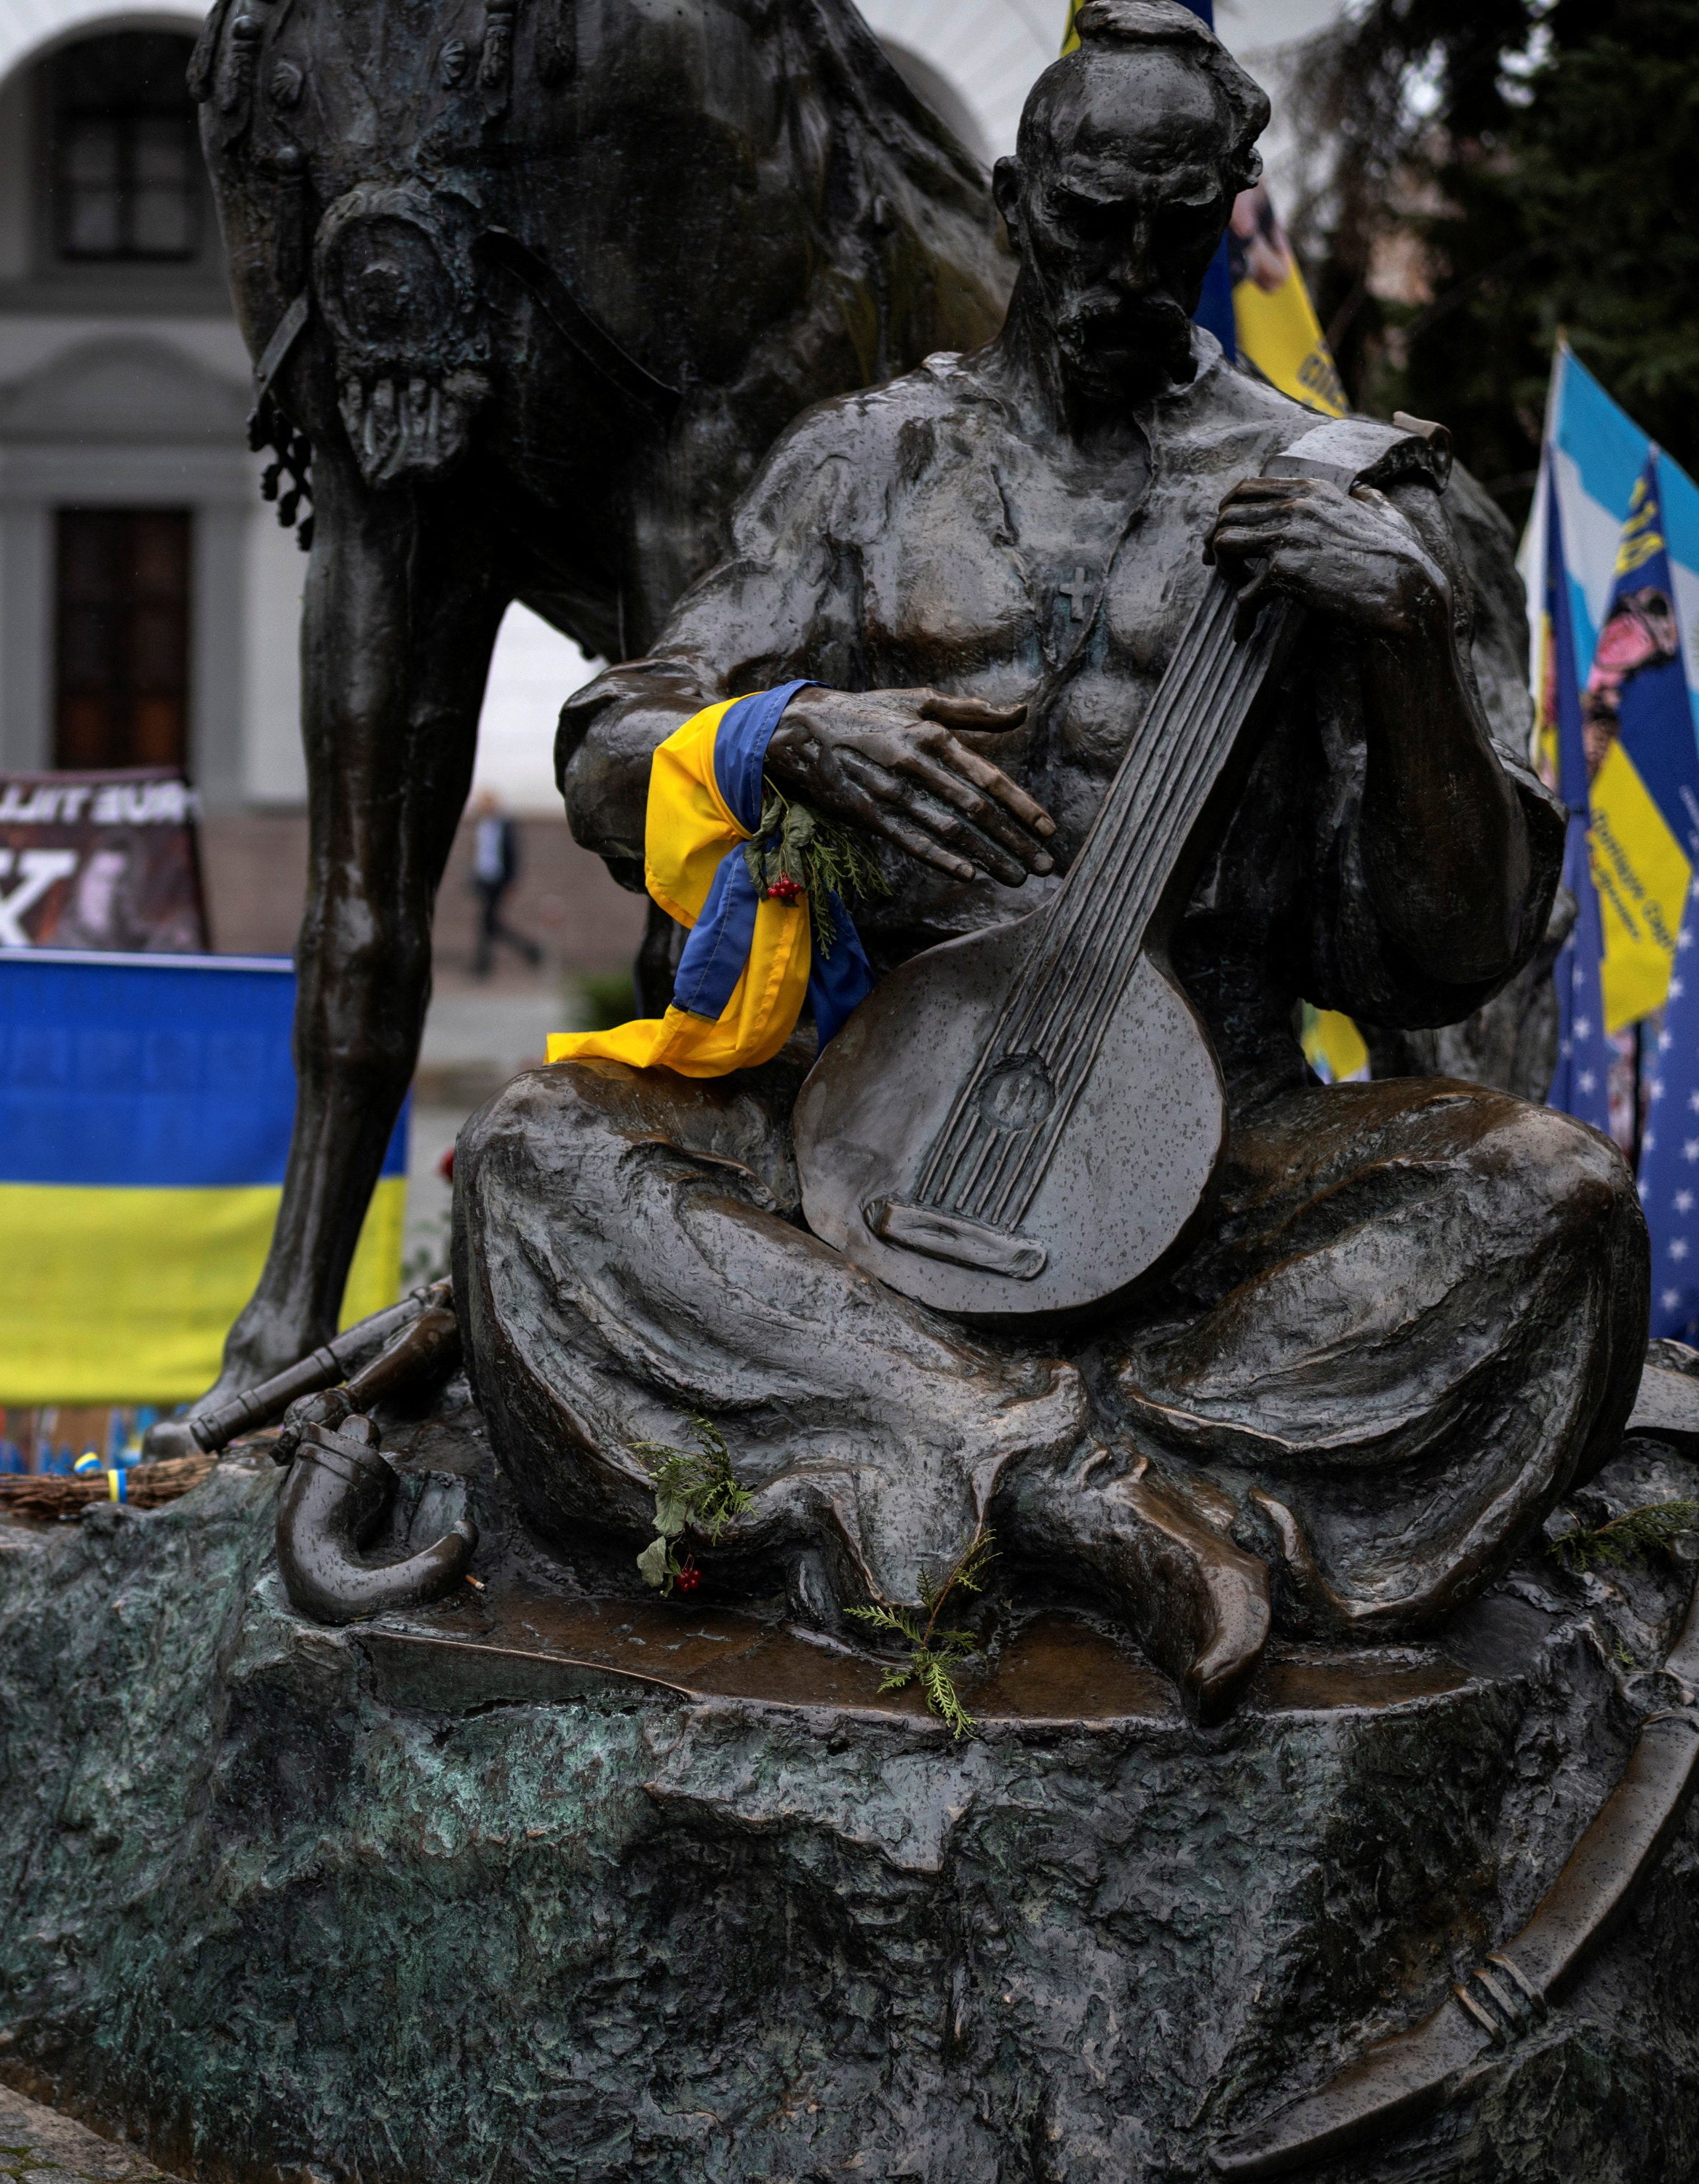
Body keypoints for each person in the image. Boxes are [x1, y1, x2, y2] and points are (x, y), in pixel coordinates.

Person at [457, 1, 1638, 1720]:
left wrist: (1394, 641)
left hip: (1217, 1134)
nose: (1126, 263)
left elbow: (1460, 945)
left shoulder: (1366, 501)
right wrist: (778, 731)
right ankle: (1075, 1482)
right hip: (855, 1128)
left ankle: (918, 1441)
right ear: (1015, 199)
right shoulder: (860, 468)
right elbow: (604, 744)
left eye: (1176, 222)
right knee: (537, 1156)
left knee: (1551, 1203)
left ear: (1229, 209)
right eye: (1090, 215)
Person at [466, 790, 541, 977]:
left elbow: (513, 854)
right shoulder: (484, 825)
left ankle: (528, 951)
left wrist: (512, 881)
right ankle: (528, 951)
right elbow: (482, 853)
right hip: (484, 880)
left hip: (498, 880)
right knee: (488, 924)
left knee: (488, 923)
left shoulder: (505, 825)